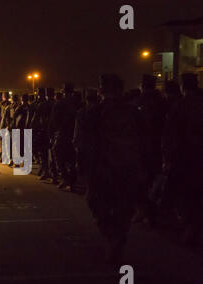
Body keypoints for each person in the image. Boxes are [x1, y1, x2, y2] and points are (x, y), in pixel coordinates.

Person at [86, 74, 144, 264]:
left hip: (103, 168)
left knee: (97, 203)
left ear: (102, 89)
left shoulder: (94, 112)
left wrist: (85, 167)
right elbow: (146, 141)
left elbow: (83, 144)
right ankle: (118, 236)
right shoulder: (134, 112)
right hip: (129, 168)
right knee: (124, 206)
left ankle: (112, 236)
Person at [162, 73, 203, 245]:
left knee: (186, 192)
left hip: (185, 156)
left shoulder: (181, 106)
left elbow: (171, 135)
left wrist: (168, 158)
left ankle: (191, 226)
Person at [133, 74, 166, 226]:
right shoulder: (163, 102)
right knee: (156, 181)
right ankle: (154, 213)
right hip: (160, 147)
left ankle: (145, 212)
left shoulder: (140, 102)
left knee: (141, 182)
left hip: (143, 148)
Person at [49, 83, 78, 191]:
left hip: (63, 134)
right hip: (74, 134)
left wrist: (53, 133)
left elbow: (55, 121)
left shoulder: (60, 104)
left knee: (58, 156)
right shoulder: (78, 103)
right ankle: (71, 182)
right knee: (72, 159)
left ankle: (65, 179)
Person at [31, 88, 51, 180]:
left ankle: (45, 170)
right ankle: (44, 168)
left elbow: (35, 117)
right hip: (44, 129)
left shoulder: (42, 104)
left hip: (42, 130)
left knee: (42, 151)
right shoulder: (40, 103)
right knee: (43, 151)